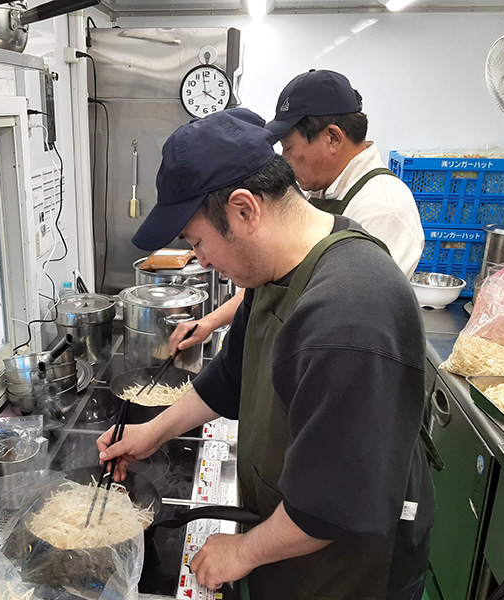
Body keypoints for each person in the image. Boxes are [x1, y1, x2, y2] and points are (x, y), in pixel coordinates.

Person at [97, 108, 433, 599]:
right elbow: (230, 377)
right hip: (294, 534)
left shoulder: (349, 314)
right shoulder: (279, 268)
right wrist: (151, 431)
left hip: (348, 568)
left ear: (244, 210)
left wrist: (243, 550)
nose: (202, 260)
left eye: (198, 242)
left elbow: (331, 504)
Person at [169, 69, 424, 356]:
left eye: (288, 148)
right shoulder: (322, 193)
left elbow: (352, 321)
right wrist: (211, 323)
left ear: (332, 138)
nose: (285, 162)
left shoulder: (381, 207)